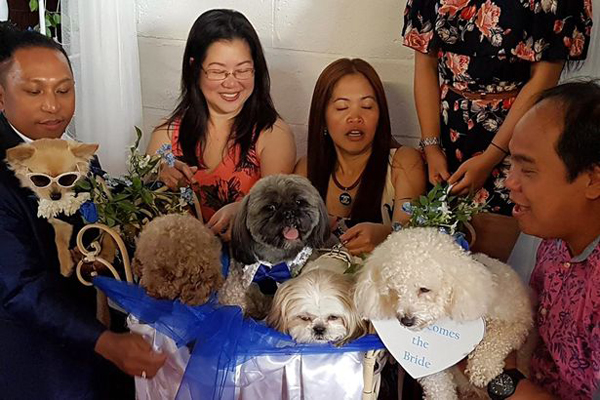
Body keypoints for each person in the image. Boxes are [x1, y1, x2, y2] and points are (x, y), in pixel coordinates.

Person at [0, 23, 165, 399]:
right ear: (1, 95)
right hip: (37, 362)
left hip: (97, 342)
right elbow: (19, 288)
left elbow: (100, 217)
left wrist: (153, 189)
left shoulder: (71, 148)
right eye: (33, 91)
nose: (52, 105)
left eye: (63, 90)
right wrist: (106, 342)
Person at [402, 0, 593, 259]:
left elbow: (544, 78)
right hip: (446, 131)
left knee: (498, 260)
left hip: (516, 134)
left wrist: (491, 157)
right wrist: (432, 145)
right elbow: (425, 63)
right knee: (436, 256)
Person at [147, 9, 295, 239]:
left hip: (250, 266)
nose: (231, 82)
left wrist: (245, 210)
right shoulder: (166, 136)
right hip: (179, 262)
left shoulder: (272, 134)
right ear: (195, 68)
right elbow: (146, 216)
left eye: (243, 70)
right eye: (218, 71)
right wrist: (159, 181)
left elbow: (278, 214)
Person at [500, 81, 600, 399]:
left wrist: (497, 380)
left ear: (593, 180)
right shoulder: (557, 239)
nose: (509, 181)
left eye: (528, 171)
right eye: (510, 164)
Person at [295, 58, 426, 256]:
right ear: (322, 117)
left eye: (366, 107)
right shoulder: (306, 169)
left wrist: (386, 235)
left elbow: (411, 236)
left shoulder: (403, 162)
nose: (355, 117)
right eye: (341, 107)